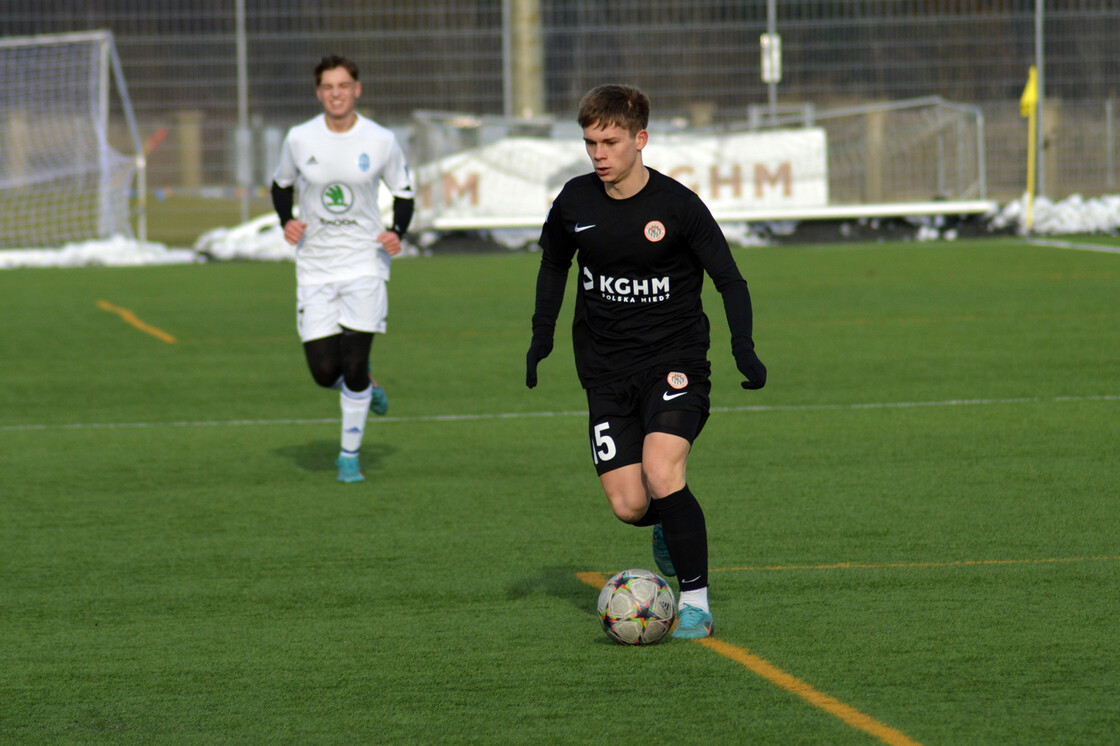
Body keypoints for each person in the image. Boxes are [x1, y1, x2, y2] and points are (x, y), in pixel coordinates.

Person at [526, 84, 766, 639]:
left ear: (641, 139)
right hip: (606, 372)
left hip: (674, 360)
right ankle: (665, 522)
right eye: (590, 143)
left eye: (609, 142)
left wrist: (743, 347)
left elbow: (729, 279)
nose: (598, 154)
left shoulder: (677, 206)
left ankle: (698, 604)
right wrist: (542, 336)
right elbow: (553, 267)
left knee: (663, 470)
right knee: (631, 503)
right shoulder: (575, 201)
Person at [271, 54, 415, 483]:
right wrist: (287, 221)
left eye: (343, 86)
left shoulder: (381, 139)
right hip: (315, 265)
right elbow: (281, 187)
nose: (336, 93)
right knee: (323, 372)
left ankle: (348, 458)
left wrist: (396, 232)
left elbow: (404, 193)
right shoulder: (299, 139)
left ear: (357, 90)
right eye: (328, 87)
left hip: (364, 263)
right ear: (319, 93)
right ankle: (367, 389)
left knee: (354, 364)